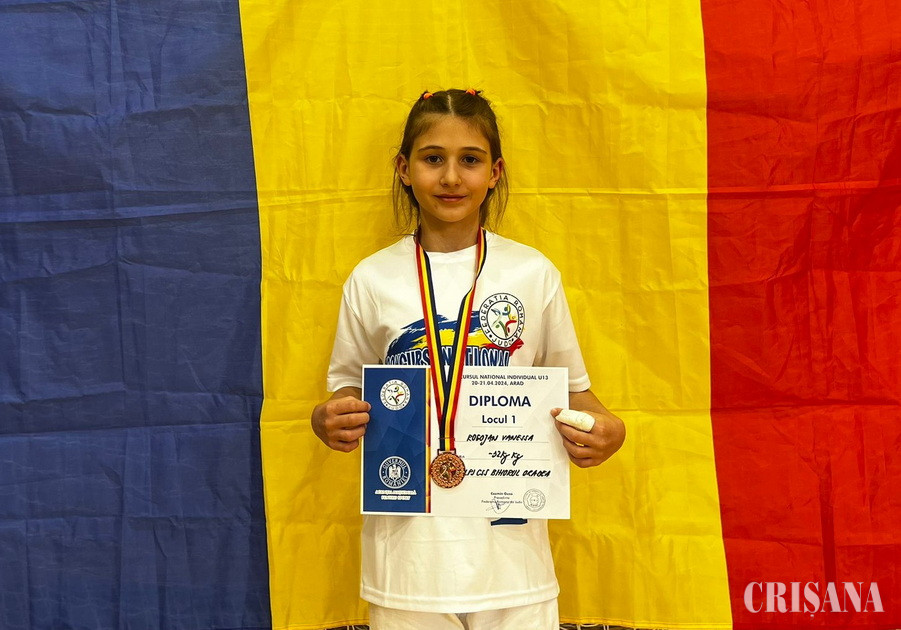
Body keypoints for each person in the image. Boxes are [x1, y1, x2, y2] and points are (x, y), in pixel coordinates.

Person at [311, 88, 626, 630]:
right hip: (405, 561)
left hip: (513, 561)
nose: (452, 177)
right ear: (404, 169)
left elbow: (575, 393)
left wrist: (608, 430)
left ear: (495, 172)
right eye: (433, 158)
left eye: (470, 160)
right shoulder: (372, 278)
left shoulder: (532, 273)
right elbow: (347, 390)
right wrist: (329, 418)